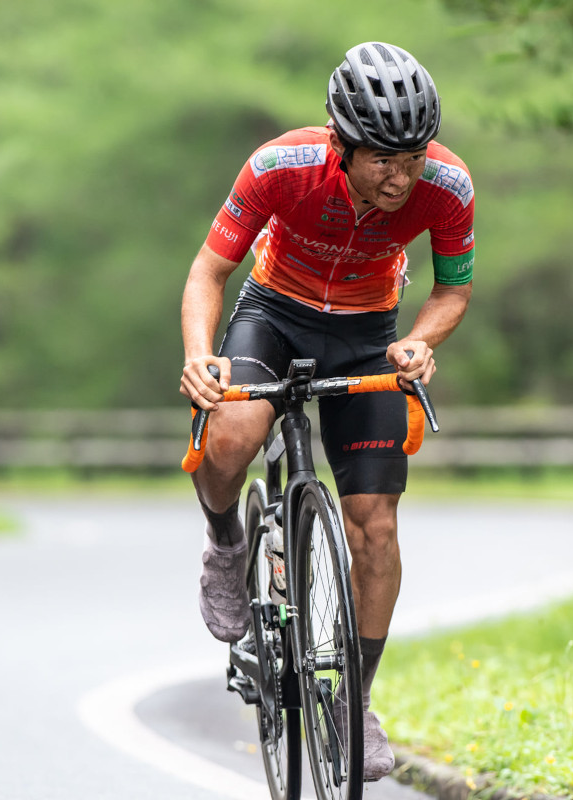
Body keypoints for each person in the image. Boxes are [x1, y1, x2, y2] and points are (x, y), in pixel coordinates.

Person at [179, 41, 474, 782]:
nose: (401, 178)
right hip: (273, 315)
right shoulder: (280, 166)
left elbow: (452, 290)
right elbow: (210, 270)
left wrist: (420, 341)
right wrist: (200, 356)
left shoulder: (448, 186)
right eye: (383, 160)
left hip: (368, 332)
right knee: (234, 433)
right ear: (342, 143)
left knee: (376, 526)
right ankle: (225, 541)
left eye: (413, 158)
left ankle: (355, 701)